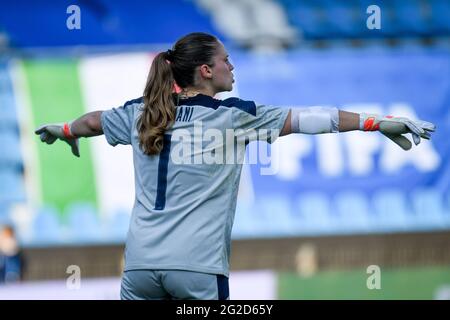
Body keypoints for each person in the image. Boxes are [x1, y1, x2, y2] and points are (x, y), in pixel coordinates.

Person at [34, 32, 435, 300]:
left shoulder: (141, 113)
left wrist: (65, 129)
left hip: (139, 267)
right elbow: (314, 119)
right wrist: (374, 121)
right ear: (206, 71)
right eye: (226, 60)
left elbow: (93, 122)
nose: (232, 66)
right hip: (196, 269)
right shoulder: (234, 116)